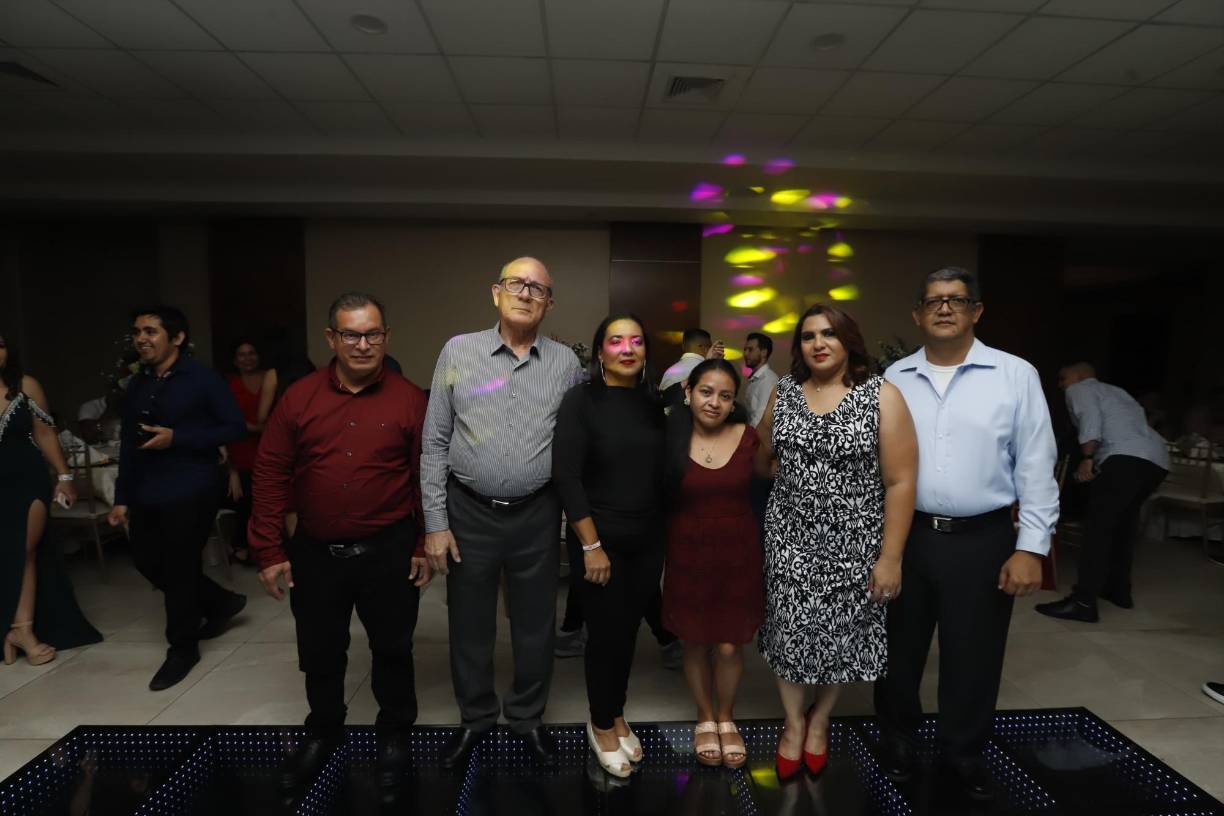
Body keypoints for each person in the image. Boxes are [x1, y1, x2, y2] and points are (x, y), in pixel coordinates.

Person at [873, 267, 1059, 802]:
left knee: (973, 653)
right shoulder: (894, 378)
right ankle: (898, 741)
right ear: (917, 315)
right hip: (907, 536)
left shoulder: (1014, 374)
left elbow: (1036, 465)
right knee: (898, 649)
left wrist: (1031, 548)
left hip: (984, 538)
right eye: (933, 301)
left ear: (977, 310)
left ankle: (963, 752)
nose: (945, 308)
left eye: (957, 300)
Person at [249, 292, 432, 795]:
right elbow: (269, 473)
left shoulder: (410, 399)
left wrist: (421, 542)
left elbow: (425, 478)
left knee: (393, 648)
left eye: (373, 333)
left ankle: (395, 736)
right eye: (351, 334)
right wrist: (268, 550)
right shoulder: (298, 397)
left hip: (390, 550)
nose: (363, 344)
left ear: (386, 337)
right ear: (331, 338)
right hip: (316, 552)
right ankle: (324, 731)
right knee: (321, 649)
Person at [422, 257, 582, 769]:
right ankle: (475, 719)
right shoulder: (457, 351)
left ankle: (527, 719)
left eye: (539, 288)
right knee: (470, 624)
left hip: (537, 513)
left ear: (550, 303)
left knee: (536, 624)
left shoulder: (565, 365)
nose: (527, 293)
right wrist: (436, 523)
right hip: (468, 512)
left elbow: (574, 447)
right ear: (496, 292)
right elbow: (434, 443)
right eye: (517, 283)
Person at [756, 304, 917, 781]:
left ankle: (820, 719)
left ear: (849, 340)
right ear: (799, 346)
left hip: (855, 541)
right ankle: (791, 724)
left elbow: (902, 481)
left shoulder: (881, 396)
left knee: (839, 637)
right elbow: (762, 449)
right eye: (808, 336)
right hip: (788, 536)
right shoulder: (784, 392)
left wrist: (890, 557)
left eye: (829, 334)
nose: (818, 343)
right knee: (788, 632)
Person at [106, 306, 248, 691]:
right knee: (147, 561)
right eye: (137, 332)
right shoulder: (137, 385)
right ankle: (219, 601)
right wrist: (121, 498)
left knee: (180, 563)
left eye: (151, 331)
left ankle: (182, 648)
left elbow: (234, 426)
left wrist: (179, 438)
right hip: (148, 487)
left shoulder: (202, 379)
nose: (141, 339)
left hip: (192, 483)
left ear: (177, 338)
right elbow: (130, 448)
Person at [553, 314, 666, 778]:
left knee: (626, 634)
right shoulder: (581, 400)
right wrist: (590, 545)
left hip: (647, 541)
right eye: (616, 341)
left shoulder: (654, 404)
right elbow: (567, 475)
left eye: (636, 341)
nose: (627, 349)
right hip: (599, 541)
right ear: (600, 352)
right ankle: (600, 723)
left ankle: (617, 713)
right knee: (603, 636)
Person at [662, 358, 764, 769]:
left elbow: (772, 482)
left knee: (727, 643)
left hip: (738, 552)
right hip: (687, 551)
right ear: (688, 391)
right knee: (696, 639)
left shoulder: (749, 438)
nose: (714, 403)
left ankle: (726, 717)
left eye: (725, 395)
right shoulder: (670, 438)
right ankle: (705, 716)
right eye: (706, 392)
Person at [1035, 363, 1169, 622]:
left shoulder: (1080, 390)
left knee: (1098, 529)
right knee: (1123, 527)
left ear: (1082, 375)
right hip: (1156, 461)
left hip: (1124, 459)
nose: (1061, 384)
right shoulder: (1117, 392)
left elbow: (1090, 419)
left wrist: (1087, 458)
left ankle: (1083, 602)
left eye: (1063, 377)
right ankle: (1119, 591)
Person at [1, 331, 101, 667]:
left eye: (0, 344)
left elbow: (45, 433)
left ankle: (22, 629)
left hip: (27, 479)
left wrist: (65, 476)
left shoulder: (26, 385)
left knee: (25, 550)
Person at [222, 338, 266, 566]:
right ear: (235, 360)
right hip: (239, 453)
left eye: (252, 353)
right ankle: (241, 547)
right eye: (242, 354)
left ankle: (264, 551)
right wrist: (232, 470)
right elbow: (224, 426)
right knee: (244, 501)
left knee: (268, 504)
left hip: (268, 451)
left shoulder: (270, 378)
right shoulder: (229, 384)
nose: (247, 358)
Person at [659, 328, 724, 396]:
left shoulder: (669, 371)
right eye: (710, 347)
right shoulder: (709, 371)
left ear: (683, 347)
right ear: (705, 349)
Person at [741, 332, 779, 428]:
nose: (745, 354)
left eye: (750, 350)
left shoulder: (768, 380)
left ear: (764, 352)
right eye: (745, 349)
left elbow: (760, 421)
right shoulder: (755, 378)